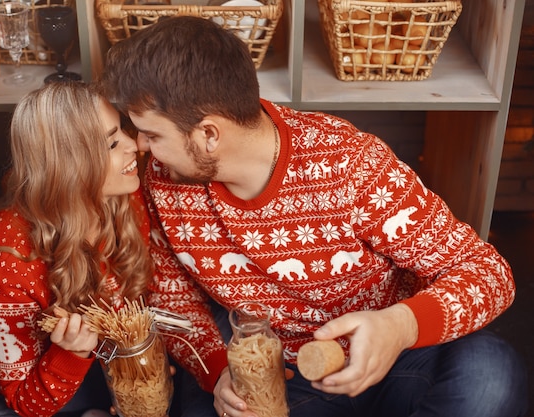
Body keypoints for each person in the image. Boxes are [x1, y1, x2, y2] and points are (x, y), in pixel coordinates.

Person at [100, 15, 529, 417]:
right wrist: (218, 371)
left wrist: (400, 326)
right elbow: (172, 294)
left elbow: (487, 272)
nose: (139, 146)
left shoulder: (350, 163)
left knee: (492, 376)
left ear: (209, 134)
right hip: (285, 378)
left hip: (396, 355)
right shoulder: (164, 175)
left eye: (152, 135)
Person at [0, 81, 152, 417]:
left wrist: (137, 359)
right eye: (110, 144)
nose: (134, 145)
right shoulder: (3, 256)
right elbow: (24, 403)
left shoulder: (124, 198)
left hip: (88, 373)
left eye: (122, 129)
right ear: (69, 167)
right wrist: (72, 354)